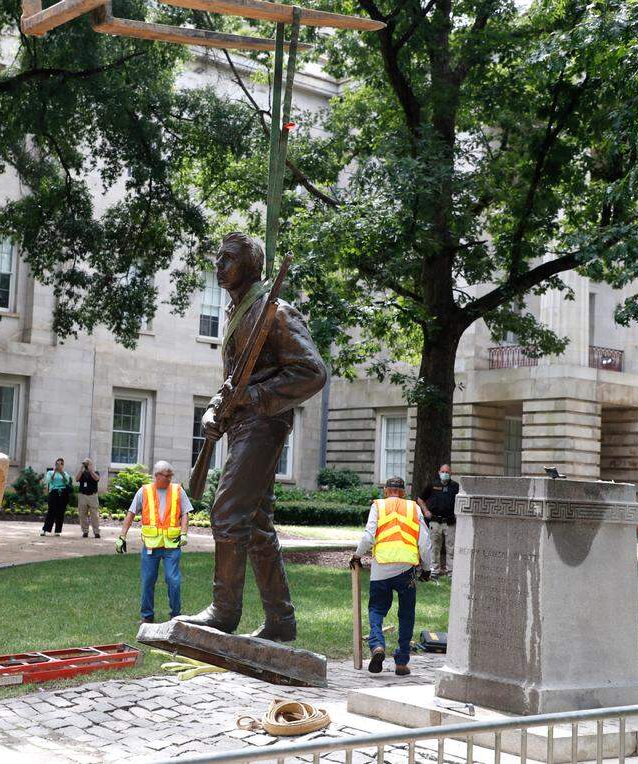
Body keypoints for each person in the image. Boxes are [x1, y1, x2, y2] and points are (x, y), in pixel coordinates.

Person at [179, 232, 328, 643]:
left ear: (251, 266)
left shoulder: (275, 312)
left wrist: (254, 396)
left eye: (227, 258)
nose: (218, 264)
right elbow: (232, 383)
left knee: (226, 513)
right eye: (217, 257)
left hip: (265, 423)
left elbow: (313, 372)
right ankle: (280, 620)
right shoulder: (239, 312)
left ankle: (224, 612)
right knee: (257, 524)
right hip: (244, 423)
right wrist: (213, 411)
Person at [351, 476, 431, 676]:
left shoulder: (378, 506)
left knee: (377, 609)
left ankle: (377, 645)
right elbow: (425, 542)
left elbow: (369, 536)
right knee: (406, 615)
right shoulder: (414, 508)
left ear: (386, 491)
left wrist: (357, 555)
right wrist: (427, 568)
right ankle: (401, 662)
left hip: (381, 568)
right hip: (406, 569)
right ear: (403, 492)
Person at [116, 461, 192, 624]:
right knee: (148, 580)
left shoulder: (178, 490)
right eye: (166, 475)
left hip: (172, 544)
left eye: (171, 475)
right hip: (151, 545)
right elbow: (131, 513)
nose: (169, 478)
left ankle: (175, 615)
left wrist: (184, 533)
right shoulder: (144, 492)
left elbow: (185, 513)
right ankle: (147, 616)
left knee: (173, 580)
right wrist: (122, 536)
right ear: (157, 475)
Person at [417, 464, 459, 577]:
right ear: (439, 472)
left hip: (450, 522)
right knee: (435, 547)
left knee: (451, 548)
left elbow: (460, 502)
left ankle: (451, 572)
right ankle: (434, 570)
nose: (445, 474)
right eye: (443, 471)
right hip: (435, 522)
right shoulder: (432, 485)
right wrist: (425, 511)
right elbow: (420, 499)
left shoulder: (455, 486)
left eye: (447, 472)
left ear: (451, 474)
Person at [41, 458, 72, 537]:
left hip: (63, 492)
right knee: (51, 511)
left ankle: (57, 530)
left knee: (60, 512)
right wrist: (55, 472)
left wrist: (61, 473)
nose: (59, 465)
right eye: (57, 464)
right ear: (55, 465)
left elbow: (67, 481)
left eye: (61, 464)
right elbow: (48, 481)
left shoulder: (65, 473)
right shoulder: (50, 472)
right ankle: (45, 530)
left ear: (63, 465)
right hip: (53, 492)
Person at [76, 458, 102, 539]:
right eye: (85, 464)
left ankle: (96, 532)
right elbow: (76, 479)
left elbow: (97, 478)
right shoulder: (82, 473)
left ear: (91, 464)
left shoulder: (95, 472)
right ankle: (85, 531)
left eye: (88, 464)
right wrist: (81, 469)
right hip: (82, 496)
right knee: (82, 514)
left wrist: (91, 471)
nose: (86, 465)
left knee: (94, 515)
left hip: (92, 496)